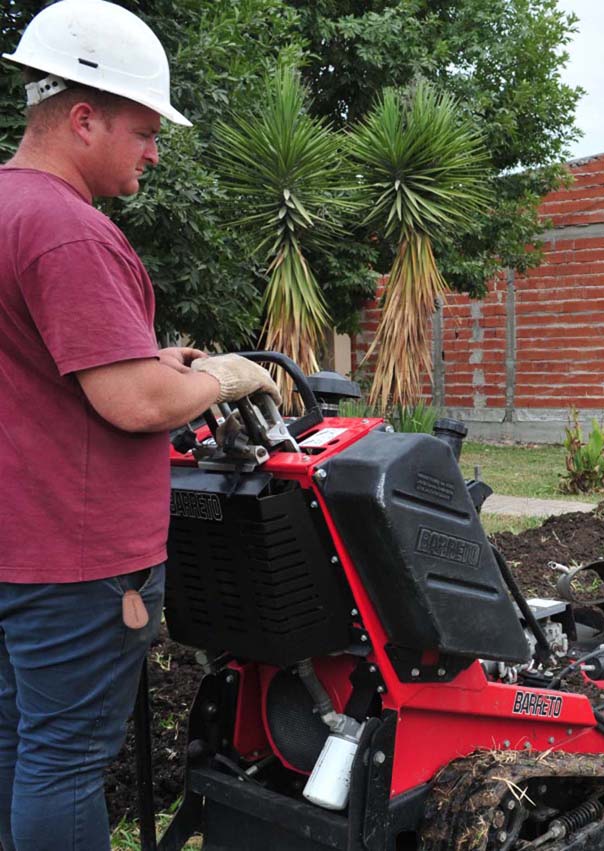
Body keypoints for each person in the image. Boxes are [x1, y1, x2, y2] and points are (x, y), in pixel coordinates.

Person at [0, 2, 280, 849]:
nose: (155, 152)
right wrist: (229, 372)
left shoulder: (9, 209)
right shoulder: (67, 229)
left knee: (18, 748)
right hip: (74, 558)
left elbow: (46, 369)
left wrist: (154, 360)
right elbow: (134, 404)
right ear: (83, 118)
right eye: (144, 131)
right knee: (64, 763)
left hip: (15, 546)